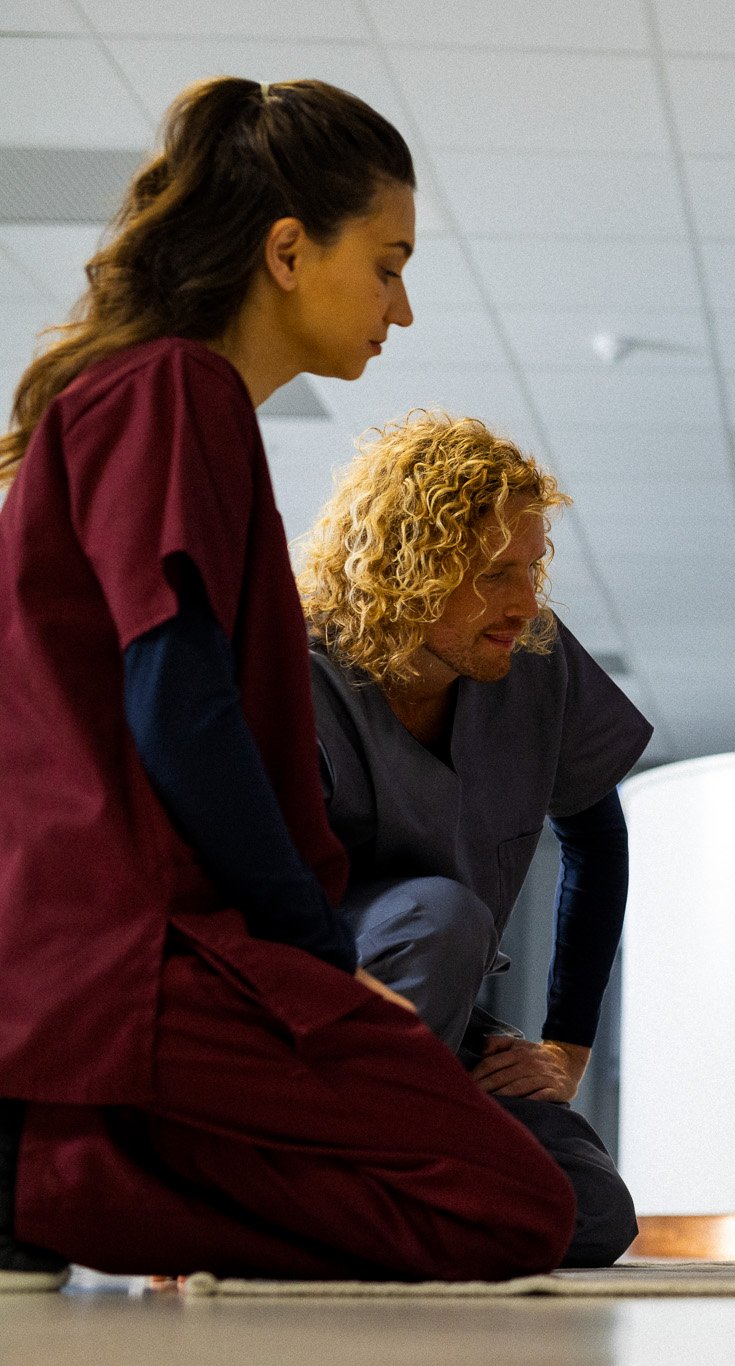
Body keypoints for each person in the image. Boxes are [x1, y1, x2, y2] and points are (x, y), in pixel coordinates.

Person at [0, 78, 575, 1287]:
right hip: (138, 953)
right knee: (513, 1206)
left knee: (521, 1197)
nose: (401, 309)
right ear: (285, 250)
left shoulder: (147, 400)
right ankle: (45, 1180)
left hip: (120, 952)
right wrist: (312, 946)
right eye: (387, 264)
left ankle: (58, 1172)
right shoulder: (174, 391)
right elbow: (180, 702)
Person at [297, 411, 653, 1268]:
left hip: (444, 1033)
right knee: (440, 918)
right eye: (497, 574)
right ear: (407, 571)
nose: (527, 603)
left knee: (593, 1212)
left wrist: (566, 1046)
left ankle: (367, 1211)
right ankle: (311, 1178)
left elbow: (597, 842)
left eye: (532, 569)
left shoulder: (533, 659)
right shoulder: (292, 671)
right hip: (314, 1027)